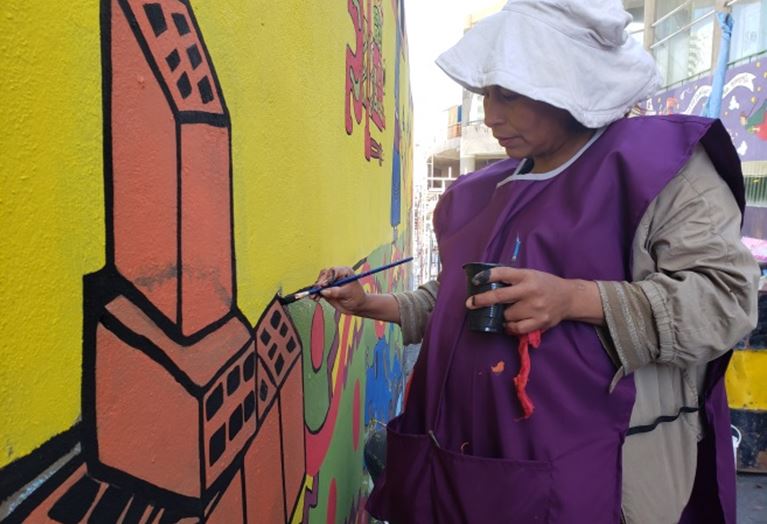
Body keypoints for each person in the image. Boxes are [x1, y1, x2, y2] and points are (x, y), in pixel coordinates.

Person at [316, 1, 760, 522]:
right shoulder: (486, 192)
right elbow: (458, 298)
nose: (491, 115)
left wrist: (577, 299)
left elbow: (726, 301)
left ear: (569, 83)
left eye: (509, 94)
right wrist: (370, 303)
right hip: (470, 468)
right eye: (485, 94)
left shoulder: (661, 171)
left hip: (600, 478)